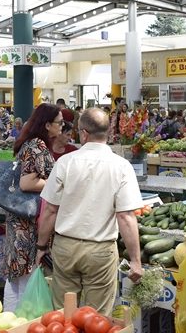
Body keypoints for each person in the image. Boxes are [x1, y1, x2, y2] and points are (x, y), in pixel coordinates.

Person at [36, 108, 143, 316]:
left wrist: (41, 246)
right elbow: (126, 217)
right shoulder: (122, 166)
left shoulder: (65, 162)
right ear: (109, 131)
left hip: (65, 247)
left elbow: (50, 210)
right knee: (96, 318)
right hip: (100, 251)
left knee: (63, 315)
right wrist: (135, 260)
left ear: (83, 133)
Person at [3, 103, 62, 312]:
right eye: (59, 123)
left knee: (16, 276)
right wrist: (59, 183)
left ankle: (10, 320)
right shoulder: (37, 145)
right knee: (26, 276)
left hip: (19, 218)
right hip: (27, 222)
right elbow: (27, 183)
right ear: (47, 125)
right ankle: (20, 322)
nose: (62, 126)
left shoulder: (29, 143)